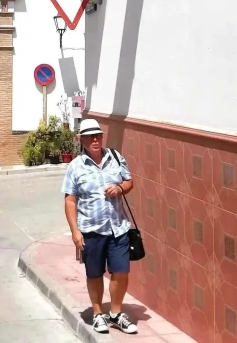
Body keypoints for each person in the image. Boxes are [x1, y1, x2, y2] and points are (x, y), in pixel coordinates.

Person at [62, 119, 137, 334]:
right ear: (81, 139)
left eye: (98, 135)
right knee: (94, 274)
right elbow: (70, 200)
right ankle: (97, 313)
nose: (95, 139)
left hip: (118, 227)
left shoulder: (115, 157)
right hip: (91, 230)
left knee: (121, 271)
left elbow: (129, 181)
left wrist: (120, 188)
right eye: (89, 136)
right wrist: (75, 231)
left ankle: (115, 313)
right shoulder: (75, 166)